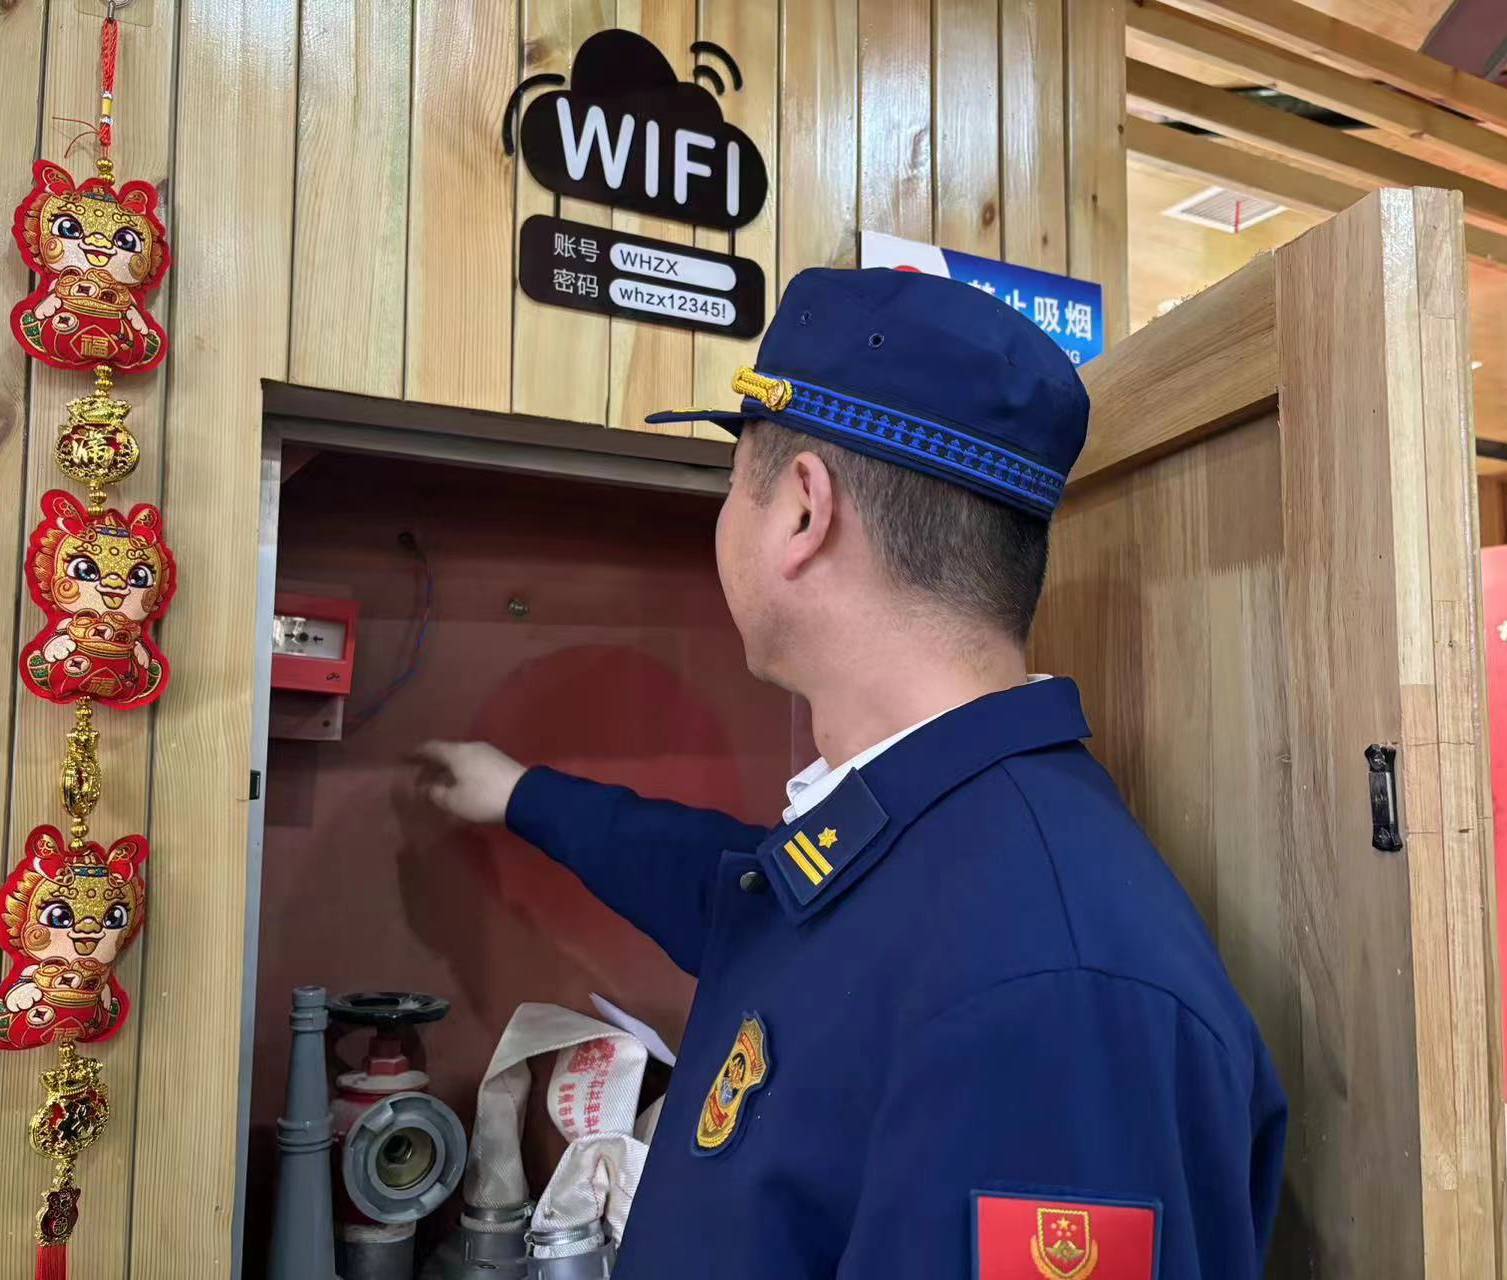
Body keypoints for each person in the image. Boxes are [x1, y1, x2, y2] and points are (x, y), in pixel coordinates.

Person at [417, 267, 1286, 1279]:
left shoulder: (1051, 989)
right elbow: (742, 896)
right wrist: (520, 794)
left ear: (802, 512)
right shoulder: (924, 838)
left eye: (732, 483)